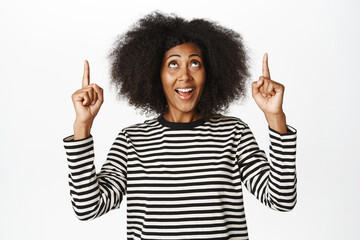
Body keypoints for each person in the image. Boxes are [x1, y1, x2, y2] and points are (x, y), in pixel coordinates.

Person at [63, 11, 297, 240]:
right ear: (156, 74)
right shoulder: (132, 141)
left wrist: (275, 117)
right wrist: (82, 126)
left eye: (195, 63)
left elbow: (281, 199)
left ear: (210, 73)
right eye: (173, 64)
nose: (185, 75)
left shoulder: (233, 133)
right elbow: (88, 208)